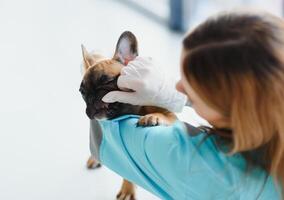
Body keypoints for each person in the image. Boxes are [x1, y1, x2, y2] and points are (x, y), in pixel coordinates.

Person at [90, 11, 284, 199]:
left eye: (192, 86)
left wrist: (98, 84)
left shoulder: (201, 167)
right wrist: (172, 95)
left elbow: (110, 141)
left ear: (235, 109)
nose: (177, 86)